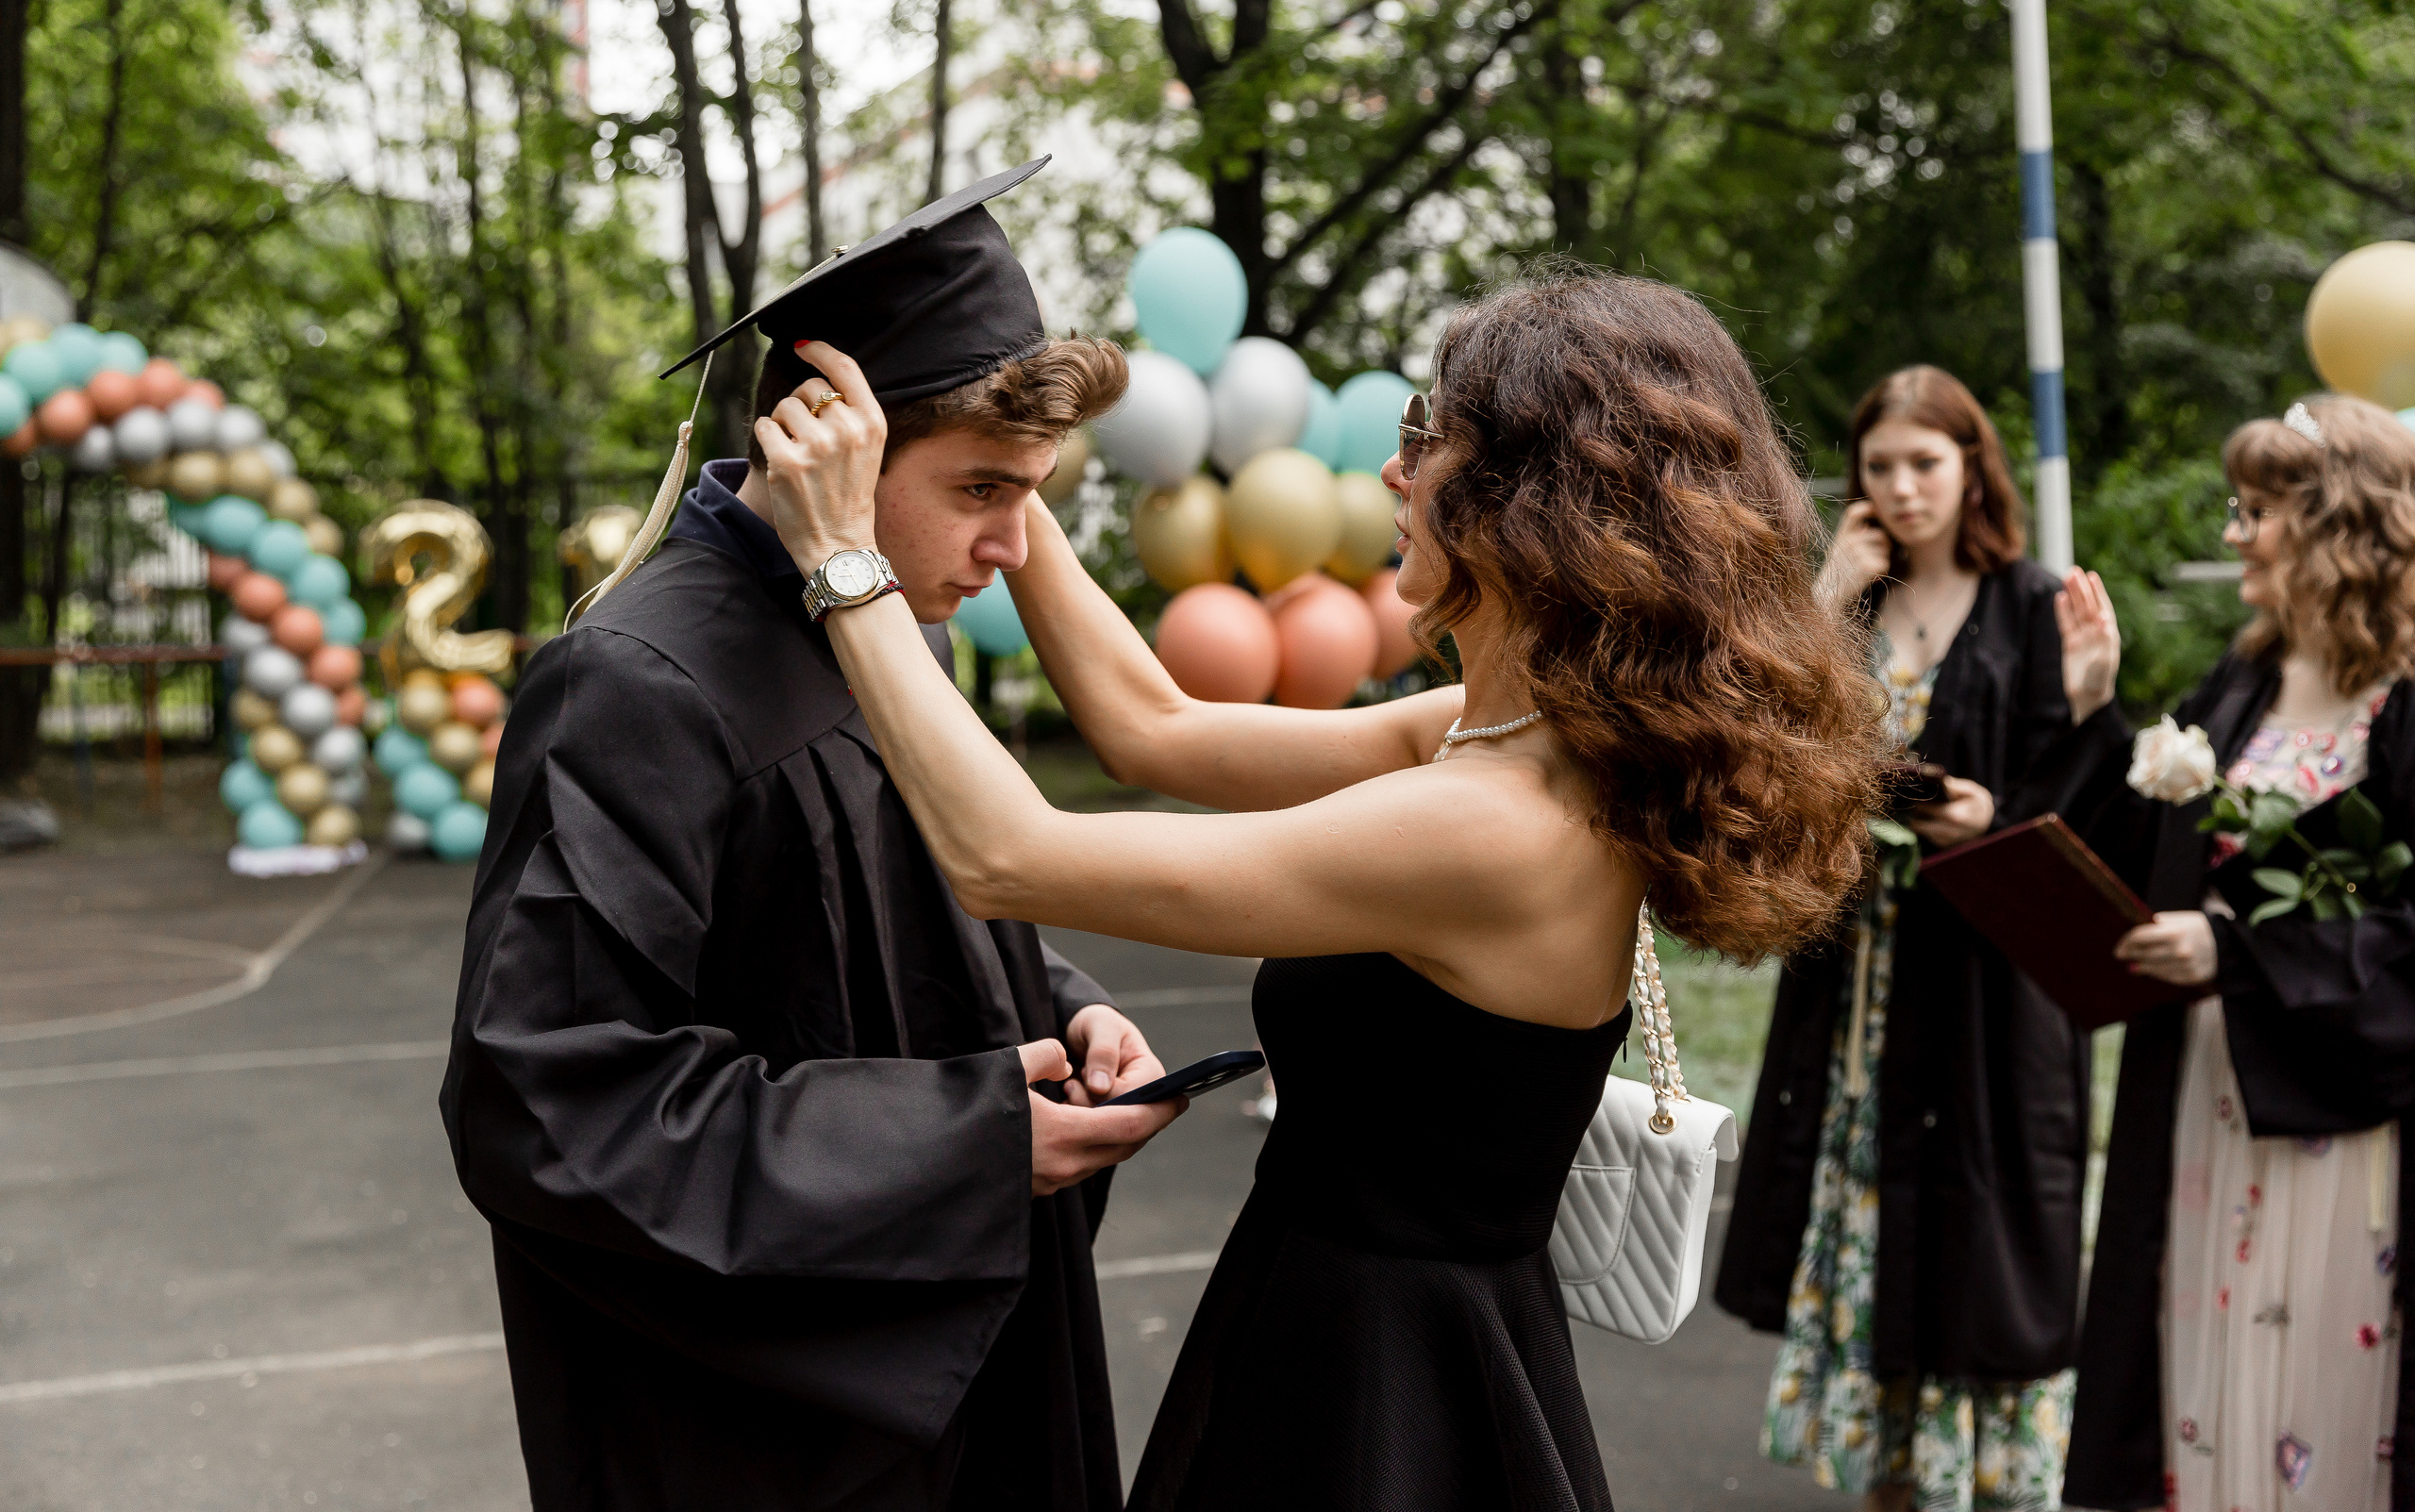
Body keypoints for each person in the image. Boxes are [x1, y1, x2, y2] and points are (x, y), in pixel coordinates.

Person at [753, 265, 1889, 1510]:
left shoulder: (1492, 825)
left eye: (1432, 443)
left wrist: (845, 555)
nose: (1396, 478)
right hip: (1345, 1322)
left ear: (1531, 506)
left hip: (1381, 1390)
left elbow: (1008, 853)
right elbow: (1155, 724)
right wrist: (1012, 498)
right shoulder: (1504, 732)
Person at [441, 160, 1185, 1512]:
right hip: (771, 1425)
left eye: (1036, 491)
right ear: (821, 443)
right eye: (982, 488)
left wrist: (1057, 1006)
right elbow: (549, 1103)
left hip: (959, 1345)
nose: (1016, 544)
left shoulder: (877, 627)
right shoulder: (638, 679)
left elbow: (889, 927)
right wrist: (969, 1140)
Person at [1715, 365, 2091, 1511]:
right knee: (1870, 1201)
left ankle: (1976, 1476)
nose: (1902, 485)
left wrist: (1998, 815)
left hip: (1979, 981)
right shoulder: (1858, 604)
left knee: (1976, 1221)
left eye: (1924, 462)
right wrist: (1829, 589)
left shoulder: (2032, 604)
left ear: (1971, 465)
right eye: (1880, 466)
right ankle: (1886, 1476)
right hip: (1862, 974)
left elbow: (2078, 799)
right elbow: (1764, 733)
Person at [2045, 394, 2415, 1512]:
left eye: (2254, 511)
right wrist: (2098, 710)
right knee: (2194, 1392)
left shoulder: (2402, 702)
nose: (2230, 534)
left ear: (2335, 526)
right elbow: (2165, 870)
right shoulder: (2240, 685)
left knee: (2329, 1398)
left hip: (2341, 1126)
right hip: (2207, 1110)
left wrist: (2237, 960)